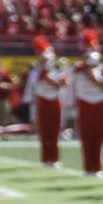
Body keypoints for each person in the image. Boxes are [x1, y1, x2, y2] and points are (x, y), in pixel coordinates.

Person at [71, 32, 103, 176]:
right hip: (84, 103)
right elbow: (70, 83)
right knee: (86, 136)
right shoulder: (77, 69)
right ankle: (88, 167)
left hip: (100, 103)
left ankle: (98, 167)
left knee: (100, 136)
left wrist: (95, 76)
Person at [26, 37, 66, 165]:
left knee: (55, 131)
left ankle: (55, 158)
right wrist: (44, 73)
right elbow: (34, 84)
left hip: (55, 100)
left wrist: (50, 77)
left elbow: (63, 83)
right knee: (44, 132)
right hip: (42, 101)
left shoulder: (57, 70)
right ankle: (45, 158)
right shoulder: (36, 72)